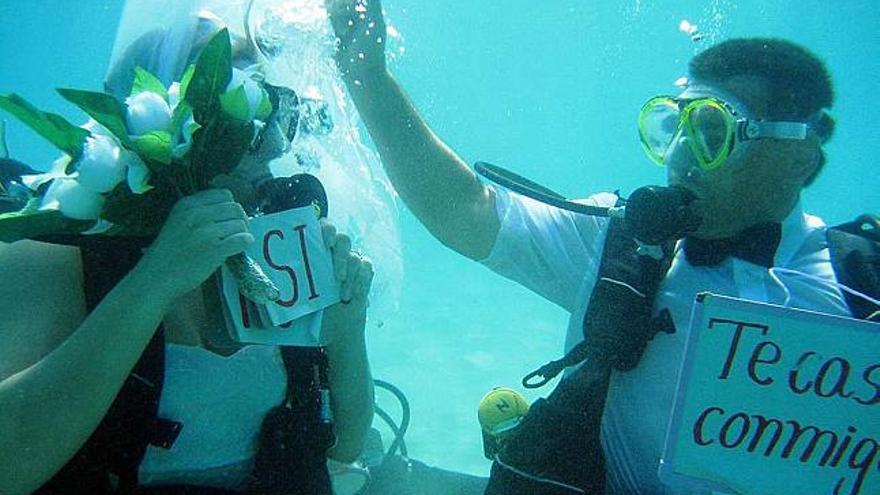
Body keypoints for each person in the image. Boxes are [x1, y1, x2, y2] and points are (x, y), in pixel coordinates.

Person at [327, 1, 876, 494]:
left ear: (797, 158)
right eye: (671, 126)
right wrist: (368, 78)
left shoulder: (862, 284)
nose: (679, 155)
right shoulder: (624, 245)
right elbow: (465, 210)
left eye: (711, 132)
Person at [0, 5, 376, 495]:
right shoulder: (54, 253)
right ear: (166, 136)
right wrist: (152, 282)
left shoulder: (282, 255)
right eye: (252, 121)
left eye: (280, 120)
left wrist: (349, 331)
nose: (275, 150)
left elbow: (343, 450)